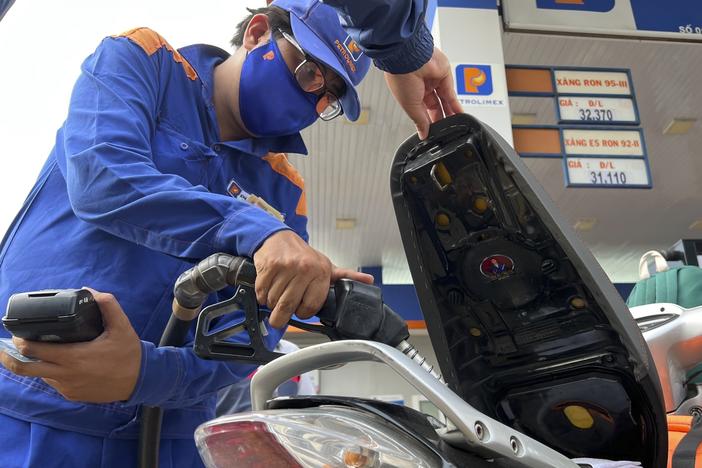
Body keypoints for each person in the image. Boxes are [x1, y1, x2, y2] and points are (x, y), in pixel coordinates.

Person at [0, 0, 461, 466]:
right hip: (30, 403)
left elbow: (245, 339)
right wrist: (257, 231)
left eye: (331, 95)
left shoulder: (285, 189)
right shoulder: (143, 60)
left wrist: (146, 373)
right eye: (309, 73)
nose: (314, 101)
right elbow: (103, 176)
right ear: (259, 32)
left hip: (169, 435)